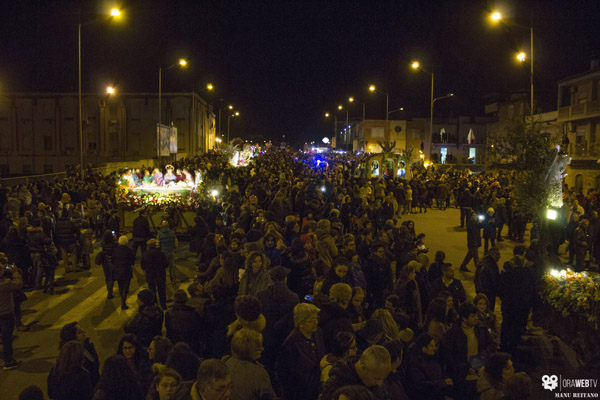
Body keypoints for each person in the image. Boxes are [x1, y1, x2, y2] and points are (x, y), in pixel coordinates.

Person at [440, 302, 497, 399]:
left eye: (476, 315)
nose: (476, 318)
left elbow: (492, 345)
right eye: (472, 316)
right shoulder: (452, 334)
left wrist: (482, 356)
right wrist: (464, 368)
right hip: (462, 375)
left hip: (481, 369)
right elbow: (447, 357)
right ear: (464, 318)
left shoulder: (481, 330)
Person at [255, 265, 299, 372]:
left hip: (266, 336)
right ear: (285, 279)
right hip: (284, 337)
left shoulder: (260, 295)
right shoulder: (294, 297)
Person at [279, 302, 326, 400]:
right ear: (301, 323)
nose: (316, 323)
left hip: (317, 388)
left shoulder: (318, 333)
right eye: (311, 320)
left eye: (316, 319)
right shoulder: (291, 344)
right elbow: (286, 375)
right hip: (301, 393)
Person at [320, 345, 392, 400]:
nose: (380, 384)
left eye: (383, 379)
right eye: (377, 379)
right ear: (363, 368)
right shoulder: (337, 382)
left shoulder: (375, 372)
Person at [223, 328, 277, 400]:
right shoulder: (259, 373)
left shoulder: (225, 362)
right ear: (249, 349)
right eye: (258, 346)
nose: (262, 349)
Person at [499, 245, 534, 354]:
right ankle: (513, 349)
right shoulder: (527, 274)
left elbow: (500, 289)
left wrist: (505, 299)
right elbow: (531, 290)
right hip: (521, 308)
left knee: (506, 326)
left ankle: (503, 347)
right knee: (517, 328)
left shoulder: (506, 273)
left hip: (508, 306)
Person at [405, 333, 453, 400]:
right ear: (423, 348)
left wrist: (446, 380)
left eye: (434, 345)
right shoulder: (415, 363)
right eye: (431, 346)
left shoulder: (433, 358)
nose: (434, 348)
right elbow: (420, 385)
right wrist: (442, 383)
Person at [59, 322, 100, 386]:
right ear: (72, 337)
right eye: (79, 332)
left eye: (81, 329)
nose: (83, 332)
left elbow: (95, 364)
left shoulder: (86, 347)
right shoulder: (72, 357)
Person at [0, 258, 22, 370]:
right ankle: (9, 361)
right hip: (5, 314)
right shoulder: (5, 283)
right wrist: (15, 273)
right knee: (7, 338)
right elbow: (19, 284)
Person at [165, 289, 202, 354]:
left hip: (175, 344)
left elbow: (169, 331)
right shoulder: (193, 313)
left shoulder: (169, 313)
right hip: (191, 344)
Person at [141, 239, 168, 310]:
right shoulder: (160, 253)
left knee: (152, 290)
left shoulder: (145, 254)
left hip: (150, 275)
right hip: (160, 274)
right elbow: (165, 264)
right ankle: (163, 305)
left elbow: (143, 266)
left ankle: (154, 305)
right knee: (162, 290)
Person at [112, 236, 136, 310]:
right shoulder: (128, 250)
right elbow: (133, 259)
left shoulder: (116, 250)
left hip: (118, 270)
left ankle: (122, 299)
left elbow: (113, 259)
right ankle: (123, 302)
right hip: (126, 270)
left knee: (120, 285)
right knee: (126, 286)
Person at [475, 246, 501, 312]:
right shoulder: (491, 265)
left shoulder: (482, 262)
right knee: (488, 311)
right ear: (491, 254)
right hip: (488, 293)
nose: (499, 256)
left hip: (480, 291)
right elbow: (495, 281)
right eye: (497, 254)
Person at [157, 220, 178, 284]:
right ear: (168, 225)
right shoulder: (172, 232)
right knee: (172, 266)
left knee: (162, 267)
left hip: (163, 252)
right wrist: (173, 248)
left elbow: (158, 244)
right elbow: (176, 242)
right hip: (171, 251)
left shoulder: (159, 233)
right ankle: (173, 280)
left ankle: (163, 280)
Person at [99, 230, 117, 299]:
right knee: (111, 278)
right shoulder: (114, 243)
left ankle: (109, 290)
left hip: (105, 262)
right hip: (111, 262)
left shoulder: (103, 243)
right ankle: (110, 293)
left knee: (107, 277)